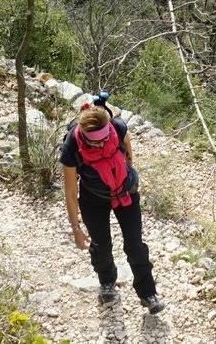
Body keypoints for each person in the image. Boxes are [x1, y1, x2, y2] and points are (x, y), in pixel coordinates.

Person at [60, 101, 165, 314]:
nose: (101, 146)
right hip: (93, 198)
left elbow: (128, 150)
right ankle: (107, 281)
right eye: (94, 143)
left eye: (104, 140)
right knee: (100, 244)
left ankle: (148, 293)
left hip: (125, 192)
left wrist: (128, 175)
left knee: (135, 245)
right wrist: (76, 229)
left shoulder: (117, 127)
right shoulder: (71, 146)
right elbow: (70, 192)